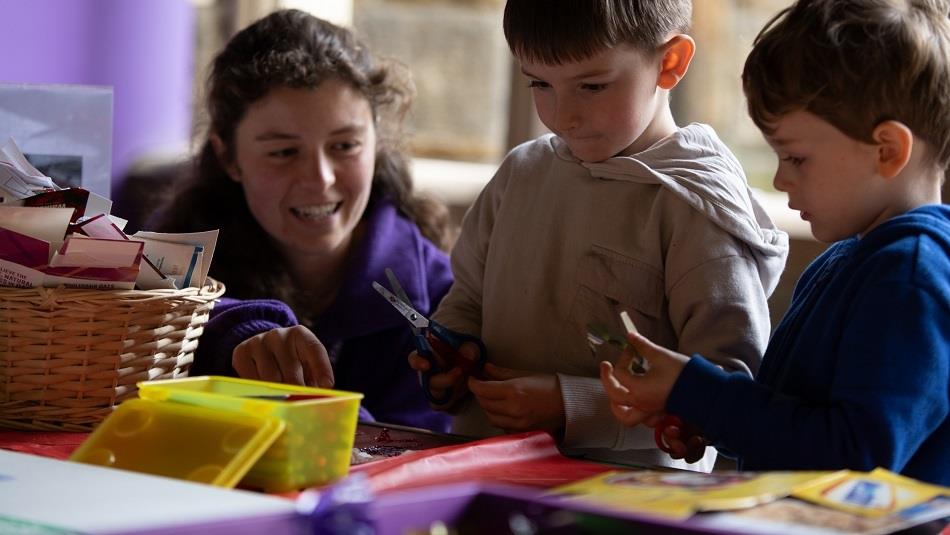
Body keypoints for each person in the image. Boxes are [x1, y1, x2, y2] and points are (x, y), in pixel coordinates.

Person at [410, 0, 789, 471]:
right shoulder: (520, 174)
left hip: (628, 496)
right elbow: (469, 295)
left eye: (592, 85)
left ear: (669, 63)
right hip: (481, 472)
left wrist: (574, 405)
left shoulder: (693, 205)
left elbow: (724, 390)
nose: (564, 115)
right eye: (539, 83)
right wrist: (453, 358)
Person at [600, 0, 950, 486]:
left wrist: (700, 393)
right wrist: (701, 414)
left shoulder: (910, 278)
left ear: (887, 150)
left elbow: (854, 461)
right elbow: (798, 426)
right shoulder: (849, 259)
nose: (782, 180)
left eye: (797, 158)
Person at [154, 9, 454, 432]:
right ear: (229, 158)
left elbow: (423, 459)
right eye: (283, 152)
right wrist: (236, 333)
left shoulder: (441, 299)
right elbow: (147, 323)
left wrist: (306, 403)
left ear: (377, 144)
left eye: (345, 145)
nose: (320, 178)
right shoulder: (174, 261)